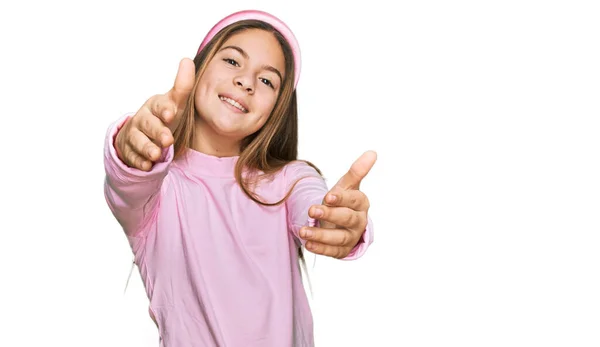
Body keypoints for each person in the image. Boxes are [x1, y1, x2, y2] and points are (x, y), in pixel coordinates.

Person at [103, 9, 376, 347]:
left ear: (277, 109)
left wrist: (336, 221)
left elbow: (315, 207)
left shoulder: (289, 181)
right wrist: (132, 144)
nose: (246, 81)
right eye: (233, 62)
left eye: (266, 81)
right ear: (201, 68)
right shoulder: (157, 191)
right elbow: (129, 177)